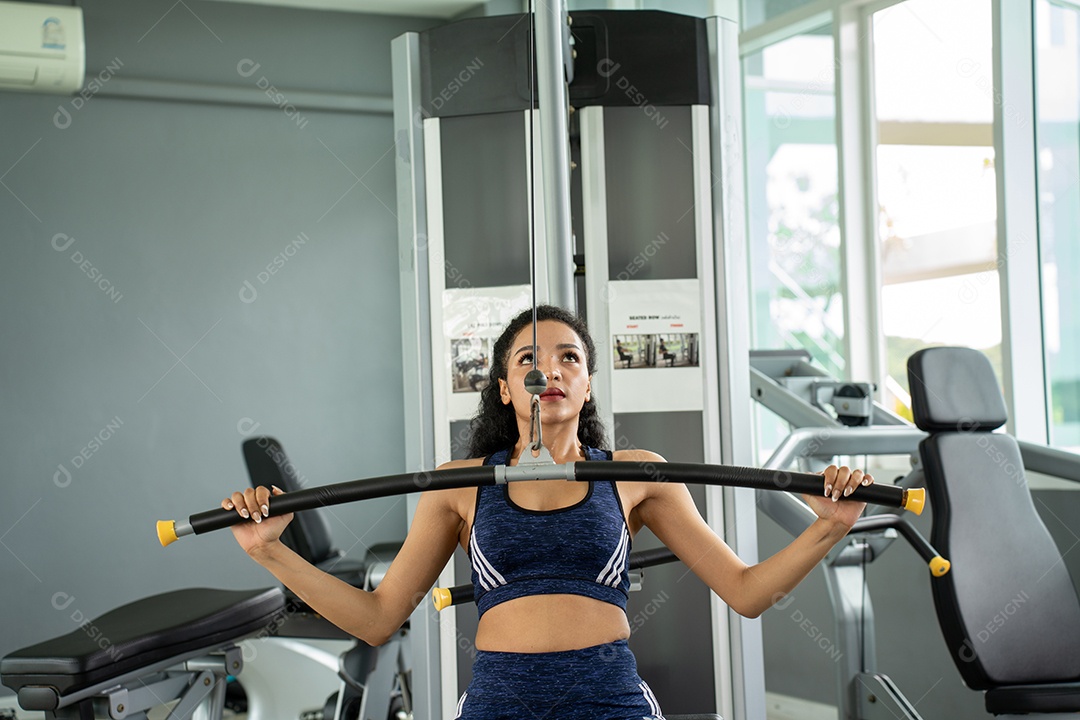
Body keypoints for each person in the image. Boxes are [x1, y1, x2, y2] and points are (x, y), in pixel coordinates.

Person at [223, 304, 873, 720]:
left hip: (609, 701)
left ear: (588, 382)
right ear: (505, 388)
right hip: (500, 703)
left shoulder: (637, 474)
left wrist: (827, 527)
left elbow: (746, 591)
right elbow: (377, 618)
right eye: (528, 359)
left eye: (570, 358)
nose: (550, 370)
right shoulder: (458, 484)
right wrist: (269, 552)